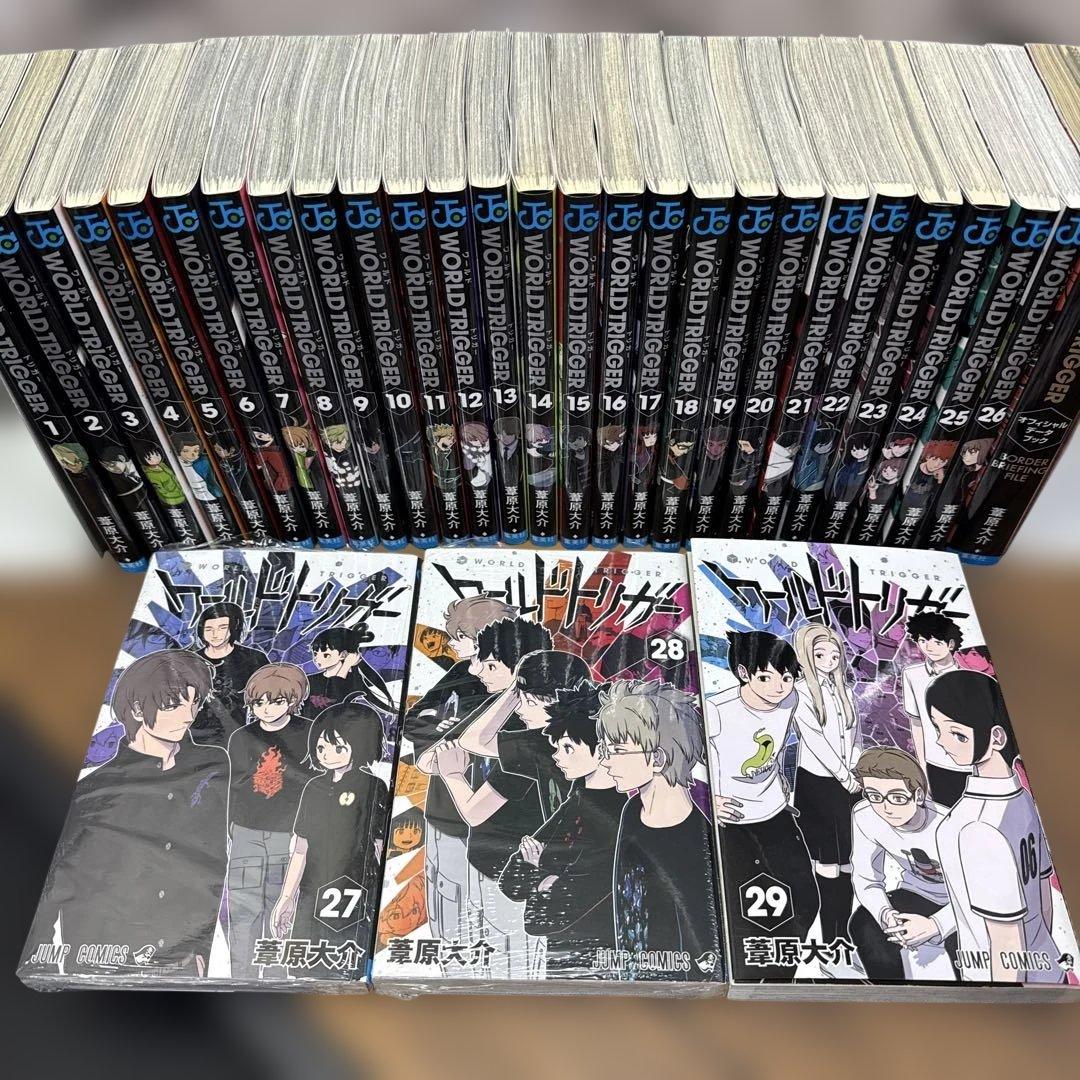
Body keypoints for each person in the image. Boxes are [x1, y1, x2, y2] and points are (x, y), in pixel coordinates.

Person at [25, 650, 227, 978]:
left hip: (181, 964)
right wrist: (41, 967)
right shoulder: (92, 791)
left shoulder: (215, 767)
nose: (188, 716)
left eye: (195, 704)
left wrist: (200, 954)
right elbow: (53, 884)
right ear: (137, 709)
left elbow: (214, 864)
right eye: (173, 705)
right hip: (101, 965)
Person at [427, 616, 553, 978]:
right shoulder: (501, 716)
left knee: (511, 970)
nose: (477, 669)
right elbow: (448, 750)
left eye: (491, 664)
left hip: (514, 872)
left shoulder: (535, 732)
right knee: (478, 962)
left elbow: (474, 811)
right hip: (487, 864)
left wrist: (452, 774)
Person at [928, 670, 1067, 984]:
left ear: (997, 738)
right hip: (1045, 968)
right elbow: (1042, 899)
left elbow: (1006, 941)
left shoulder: (976, 826)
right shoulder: (1024, 799)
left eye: (956, 733)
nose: (940, 741)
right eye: (938, 728)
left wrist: (1003, 999)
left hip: (997, 979)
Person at [706, 630, 818, 981]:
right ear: (744, 673)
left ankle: (780, 976)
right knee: (741, 907)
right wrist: (708, 798)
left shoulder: (790, 700)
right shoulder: (716, 710)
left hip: (775, 813)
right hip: (730, 822)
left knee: (805, 898)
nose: (778, 688)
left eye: (786, 678)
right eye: (766, 678)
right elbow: (687, 757)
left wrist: (783, 786)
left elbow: (782, 745)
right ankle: (749, 977)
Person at [409, 597, 517, 949]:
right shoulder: (459, 674)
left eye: (460, 636)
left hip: (502, 819)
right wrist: (438, 746)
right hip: (447, 813)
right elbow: (416, 721)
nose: (452, 644)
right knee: (449, 900)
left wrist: (453, 737)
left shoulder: (524, 683)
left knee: (499, 915)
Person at [597, 679, 722, 980]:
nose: (605, 762)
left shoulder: (697, 843)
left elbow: (704, 950)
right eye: (604, 749)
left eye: (616, 750)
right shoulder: (632, 810)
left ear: (657, 758)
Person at [498, 685, 625, 977]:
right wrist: (543, 880)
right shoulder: (577, 799)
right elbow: (511, 884)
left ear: (602, 750)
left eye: (567, 748)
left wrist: (536, 870)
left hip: (603, 963)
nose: (557, 756)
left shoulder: (619, 814)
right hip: (561, 962)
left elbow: (541, 919)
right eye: (557, 747)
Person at [270, 702, 389, 970]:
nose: (327, 755)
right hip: (312, 889)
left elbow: (380, 845)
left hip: (357, 887)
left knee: (348, 962)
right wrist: (287, 897)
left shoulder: (373, 786)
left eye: (338, 748)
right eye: (321, 747)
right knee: (305, 964)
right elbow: (300, 848)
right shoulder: (313, 787)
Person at [226, 663, 313, 979]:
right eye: (259, 702)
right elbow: (232, 786)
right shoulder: (242, 737)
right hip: (246, 832)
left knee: (281, 908)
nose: (266, 708)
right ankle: (241, 978)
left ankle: (277, 978)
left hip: (289, 835)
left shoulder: (309, 733)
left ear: (292, 700)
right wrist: (232, 830)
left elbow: (315, 785)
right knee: (243, 909)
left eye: (276, 701)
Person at [848, 747, 958, 983]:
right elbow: (866, 879)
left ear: (918, 796)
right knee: (863, 924)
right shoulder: (865, 816)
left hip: (960, 902)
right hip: (915, 893)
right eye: (874, 796)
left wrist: (936, 925)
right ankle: (888, 992)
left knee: (967, 947)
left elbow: (980, 895)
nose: (886, 808)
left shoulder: (952, 826)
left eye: (897, 797)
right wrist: (886, 914)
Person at [455, 648, 592, 820]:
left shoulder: (541, 743)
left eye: (530, 702)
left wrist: (514, 689)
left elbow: (474, 740)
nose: (519, 709)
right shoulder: (556, 738)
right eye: (520, 700)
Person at [792, 624, 861, 951]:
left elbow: (854, 737)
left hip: (848, 784)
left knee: (848, 862)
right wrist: (845, 777)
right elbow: (816, 742)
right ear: (807, 655)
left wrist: (856, 770)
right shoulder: (801, 692)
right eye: (820, 655)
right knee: (827, 863)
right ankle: (829, 937)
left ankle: (841, 936)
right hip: (818, 784)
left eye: (835, 655)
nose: (829, 661)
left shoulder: (845, 691)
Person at [901, 612, 969, 807]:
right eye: (923, 641)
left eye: (937, 642)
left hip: (972, 763)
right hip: (936, 763)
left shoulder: (969, 675)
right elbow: (916, 723)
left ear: (951, 644)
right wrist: (922, 766)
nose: (929, 648)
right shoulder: (912, 675)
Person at [192, 601, 269, 744]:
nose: (215, 634)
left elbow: (269, 695)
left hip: (240, 736)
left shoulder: (254, 659)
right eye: (209, 629)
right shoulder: (189, 660)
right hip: (196, 736)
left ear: (234, 627)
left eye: (222, 628)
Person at [307, 626, 393, 713]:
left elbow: (335, 703)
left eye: (326, 655)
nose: (316, 659)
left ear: (343, 655)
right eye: (315, 653)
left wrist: (346, 665)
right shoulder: (309, 680)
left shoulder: (354, 683)